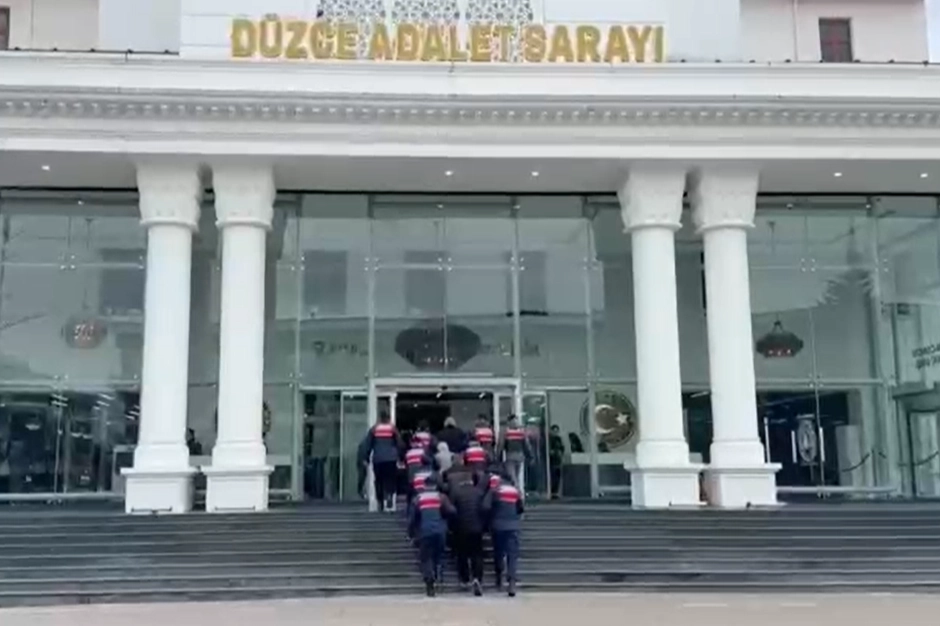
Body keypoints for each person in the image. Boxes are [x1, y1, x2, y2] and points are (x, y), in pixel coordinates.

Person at [409, 473, 455, 597]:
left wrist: (412, 534)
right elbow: (451, 511)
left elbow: (413, 519)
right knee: (438, 555)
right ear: (436, 486)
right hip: (440, 531)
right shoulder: (441, 497)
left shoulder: (418, 499)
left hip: (425, 532)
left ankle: (430, 583)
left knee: (426, 558)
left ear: (425, 485)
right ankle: (438, 575)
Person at [447, 458, 487, 596]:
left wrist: (452, 526)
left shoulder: (456, 493)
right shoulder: (478, 492)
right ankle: (477, 578)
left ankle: (465, 579)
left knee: (462, 554)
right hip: (477, 527)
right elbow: (484, 508)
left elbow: (451, 510)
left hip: (461, 528)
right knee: (477, 554)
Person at [483, 472, 524, 597]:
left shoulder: (496, 491)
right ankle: (511, 583)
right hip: (513, 527)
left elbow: (485, 506)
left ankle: (499, 576)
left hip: (498, 526)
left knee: (499, 552)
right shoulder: (515, 492)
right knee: (512, 555)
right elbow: (520, 509)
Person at [358, 413, 403, 512]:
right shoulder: (393, 429)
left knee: (379, 480)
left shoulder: (374, 429)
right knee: (390, 479)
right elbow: (399, 444)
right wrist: (401, 457)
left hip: (378, 459)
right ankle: (389, 495)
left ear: (379, 418)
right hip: (391, 458)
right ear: (388, 418)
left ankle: (380, 501)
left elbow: (368, 444)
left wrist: (365, 458)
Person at [497, 415, 530, 492]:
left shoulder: (506, 432)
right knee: (516, 476)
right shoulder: (521, 432)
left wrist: (498, 457)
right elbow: (526, 445)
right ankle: (517, 491)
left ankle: (517, 492)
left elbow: (501, 445)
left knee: (512, 477)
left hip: (510, 456)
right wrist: (529, 456)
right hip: (520, 457)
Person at [549, 424, 565, 499]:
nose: (555, 433)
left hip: (558, 460)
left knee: (557, 476)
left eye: (556, 431)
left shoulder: (559, 439)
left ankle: (555, 492)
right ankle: (552, 492)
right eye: (554, 431)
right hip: (552, 461)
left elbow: (562, 448)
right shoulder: (549, 440)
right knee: (553, 476)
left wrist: (560, 453)